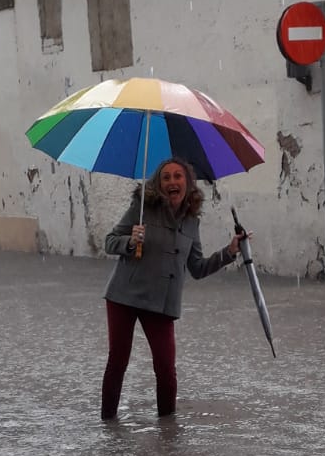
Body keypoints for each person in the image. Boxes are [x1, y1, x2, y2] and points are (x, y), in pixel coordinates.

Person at [100, 157, 243, 420]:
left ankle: (168, 433)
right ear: (159, 184)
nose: (172, 182)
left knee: (166, 368)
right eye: (166, 177)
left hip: (161, 303)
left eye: (178, 177)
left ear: (188, 183)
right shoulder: (142, 208)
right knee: (118, 361)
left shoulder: (191, 222)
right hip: (124, 296)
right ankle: (108, 426)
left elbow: (198, 268)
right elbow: (109, 242)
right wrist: (130, 242)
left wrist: (230, 251)